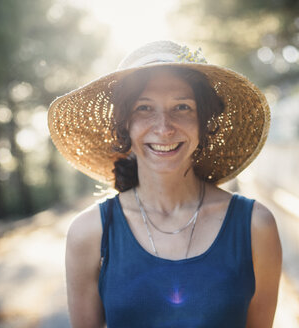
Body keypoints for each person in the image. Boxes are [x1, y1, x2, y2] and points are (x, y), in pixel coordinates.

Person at [48, 40, 282, 328]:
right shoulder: (90, 233)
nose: (163, 127)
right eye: (144, 108)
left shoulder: (256, 226)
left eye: (182, 107)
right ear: (125, 125)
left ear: (204, 122)